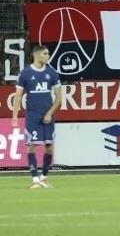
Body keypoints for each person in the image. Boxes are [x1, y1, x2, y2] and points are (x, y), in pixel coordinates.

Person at [12, 45, 61, 189]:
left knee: (49, 147)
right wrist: (15, 116)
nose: (48, 56)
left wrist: (49, 113)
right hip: (32, 117)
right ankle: (35, 180)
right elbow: (18, 96)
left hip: (48, 117)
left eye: (48, 53)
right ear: (37, 55)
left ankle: (44, 178)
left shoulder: (52, 73)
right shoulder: (25, 73)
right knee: (31, 147)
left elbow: (59, 98)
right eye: (45, 53)